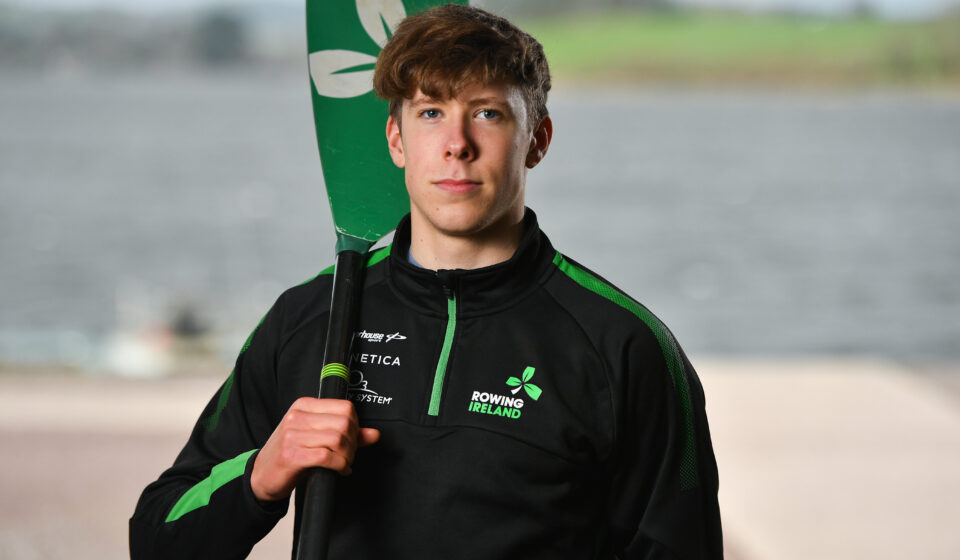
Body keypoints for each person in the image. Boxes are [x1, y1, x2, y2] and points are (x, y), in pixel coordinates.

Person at [130, 4, 722, 558]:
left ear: (537, 141)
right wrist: (261, 474)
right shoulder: (308, 318)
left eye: (487, 113)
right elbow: (156, 538)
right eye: (430, 113)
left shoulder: (625, 347)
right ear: (397, 140)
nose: (456, 145)